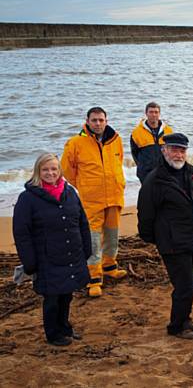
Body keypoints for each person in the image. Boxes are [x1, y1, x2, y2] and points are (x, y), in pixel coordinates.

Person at [12, 153, 91, 346]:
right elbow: (22, 233)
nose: (50, 173)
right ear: (38, 171)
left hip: (71, 253)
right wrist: (30, 262)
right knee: (52, 298)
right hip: (47, 258)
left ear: (60, 170)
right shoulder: (27, 198)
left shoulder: (70, 192)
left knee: (67, 294)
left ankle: (65, 327)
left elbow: (82, 222)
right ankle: (53, 334)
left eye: (54, 169)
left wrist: (86, 248)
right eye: (45, 169)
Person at [137, 133, 193, 340]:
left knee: (190, 284)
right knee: (184, 286)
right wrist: (157, 238)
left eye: (182, 150)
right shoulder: (155, 180)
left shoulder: (191, 175)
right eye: (174, 149)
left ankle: (184, 318)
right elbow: (145, 213)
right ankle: (176, 326)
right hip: (172, 243)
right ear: (164, 150)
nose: (178, 154)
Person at [61, 107, 126, 298]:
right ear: (87, 121)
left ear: (106, 120)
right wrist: (84, 185)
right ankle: (94, 277)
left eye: (101, 120)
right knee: (93, 239)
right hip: (91, 198)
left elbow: (119, 162)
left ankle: (109, 265)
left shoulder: (116, 140)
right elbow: (67, 169)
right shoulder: (76, 143)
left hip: (114, 195)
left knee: (112, 234)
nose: (98, 123)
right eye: (94, 120)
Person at [130, 101, 174, 183]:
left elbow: (172, 151)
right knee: (148, 195)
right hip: (145, 173)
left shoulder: (168, 131)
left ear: (159, 114)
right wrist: (142, 166)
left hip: (165, 172)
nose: (153, 115)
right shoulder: (136, 133)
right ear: (146, 113)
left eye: (156, 112)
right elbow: (135, 153)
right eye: (151, 112)